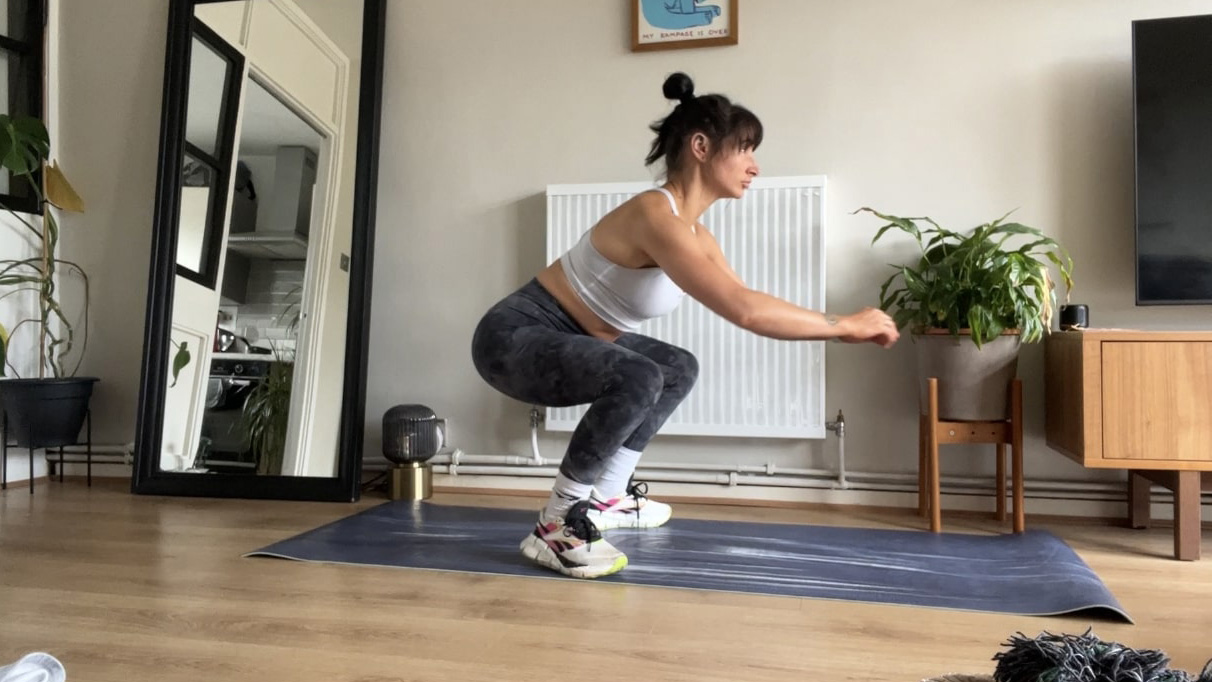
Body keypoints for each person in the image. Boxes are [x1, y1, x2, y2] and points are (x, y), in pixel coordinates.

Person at [471, 72, 900, 580]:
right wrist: (843, 324)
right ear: (701, 146)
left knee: (675, 366)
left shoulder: (697, 234)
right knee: (639, 374)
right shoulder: (656, 216)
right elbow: (743, 310)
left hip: (567, 338)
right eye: (745, 150)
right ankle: (557, 524)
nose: (755, 166)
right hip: (514, 338)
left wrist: (839, 323)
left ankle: (607, 498)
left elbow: (751, 302)